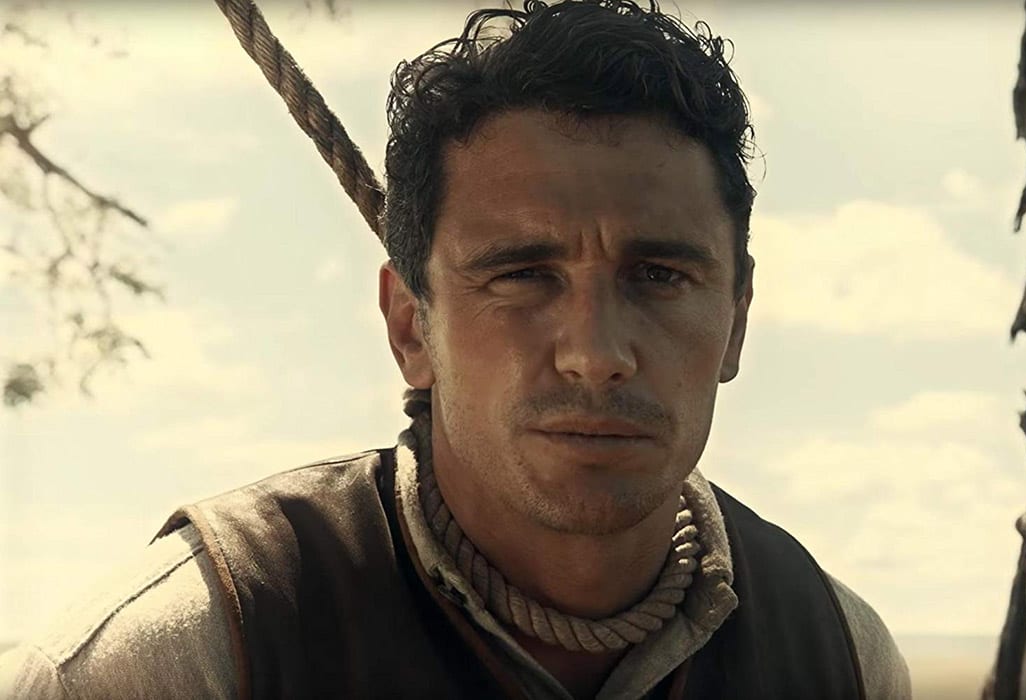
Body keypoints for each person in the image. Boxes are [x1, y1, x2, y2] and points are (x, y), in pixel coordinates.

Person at [1, 1, 912, 698]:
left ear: (736, 320)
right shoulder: (183, 659)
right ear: (411, 328)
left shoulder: (837, 655)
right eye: (522, 275)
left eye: (659, 275)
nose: (596, 354)